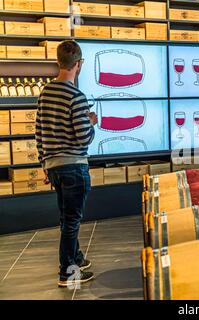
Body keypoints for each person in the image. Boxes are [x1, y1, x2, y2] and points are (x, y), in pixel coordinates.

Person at [35, 40, 97, 287]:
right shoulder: (76, 96)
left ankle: (77, 259)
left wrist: (45, 164)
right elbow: (84, 137)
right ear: (79, 65)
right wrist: (91, 122)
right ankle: (68, 273)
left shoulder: (45, 93)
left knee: (66, 218)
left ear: (58, 62)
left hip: (54, 166)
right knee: (72, 221)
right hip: (73, 165)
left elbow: (38, 133)